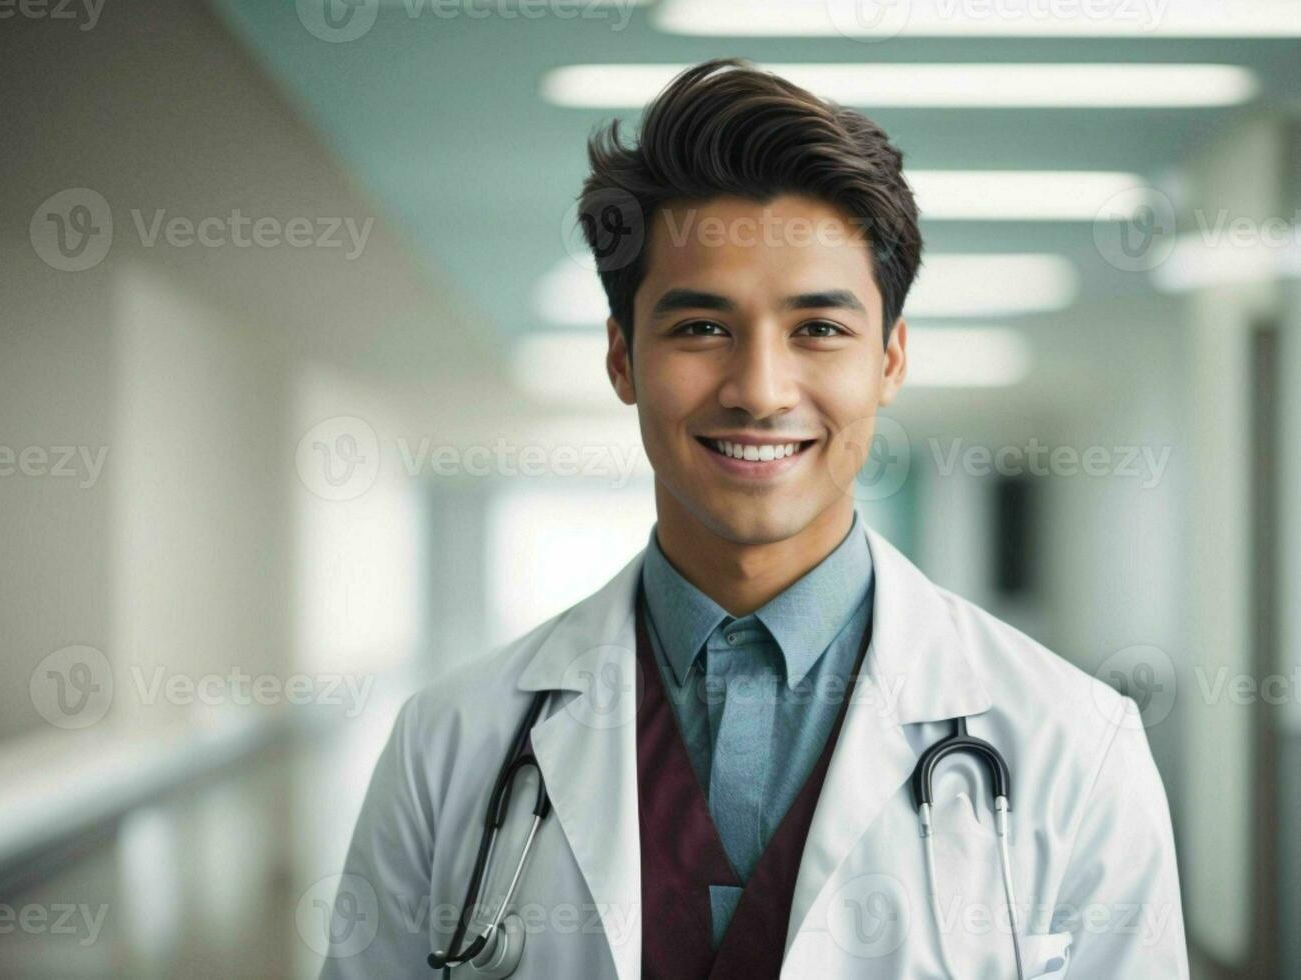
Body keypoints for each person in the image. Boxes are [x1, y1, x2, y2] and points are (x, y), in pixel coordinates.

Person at [320, 58, 1187, 978]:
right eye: (701, 328)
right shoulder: (451, 744)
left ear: (890, 359)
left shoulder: (1073, 745)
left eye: (818, 329)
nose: (761, 392)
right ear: (622, 357)